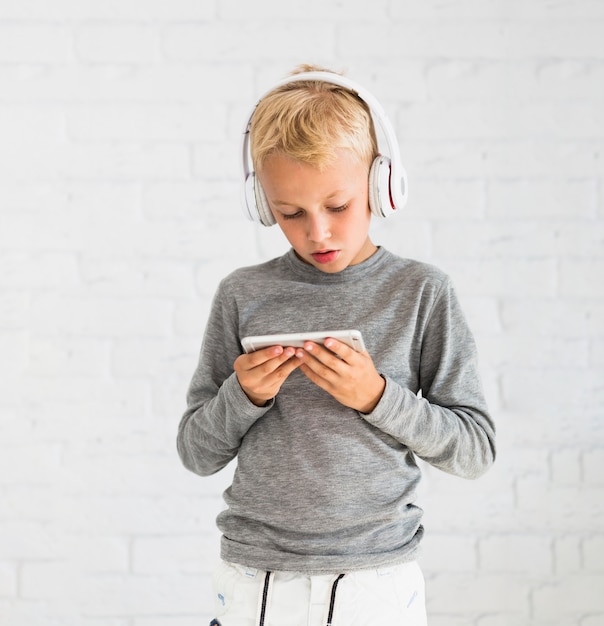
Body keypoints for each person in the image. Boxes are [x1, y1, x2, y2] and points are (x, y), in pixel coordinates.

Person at [177, 64, 496, 626]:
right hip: (255, 577)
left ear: (381, 184)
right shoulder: (242, 294)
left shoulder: (420, 293)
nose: (317, 233)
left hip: (375, 580)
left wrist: (376, 396)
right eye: (290, 214)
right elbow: (197, 453)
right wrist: (242, 395)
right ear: (261, 203)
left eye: (338, 206)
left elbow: (473, 450)